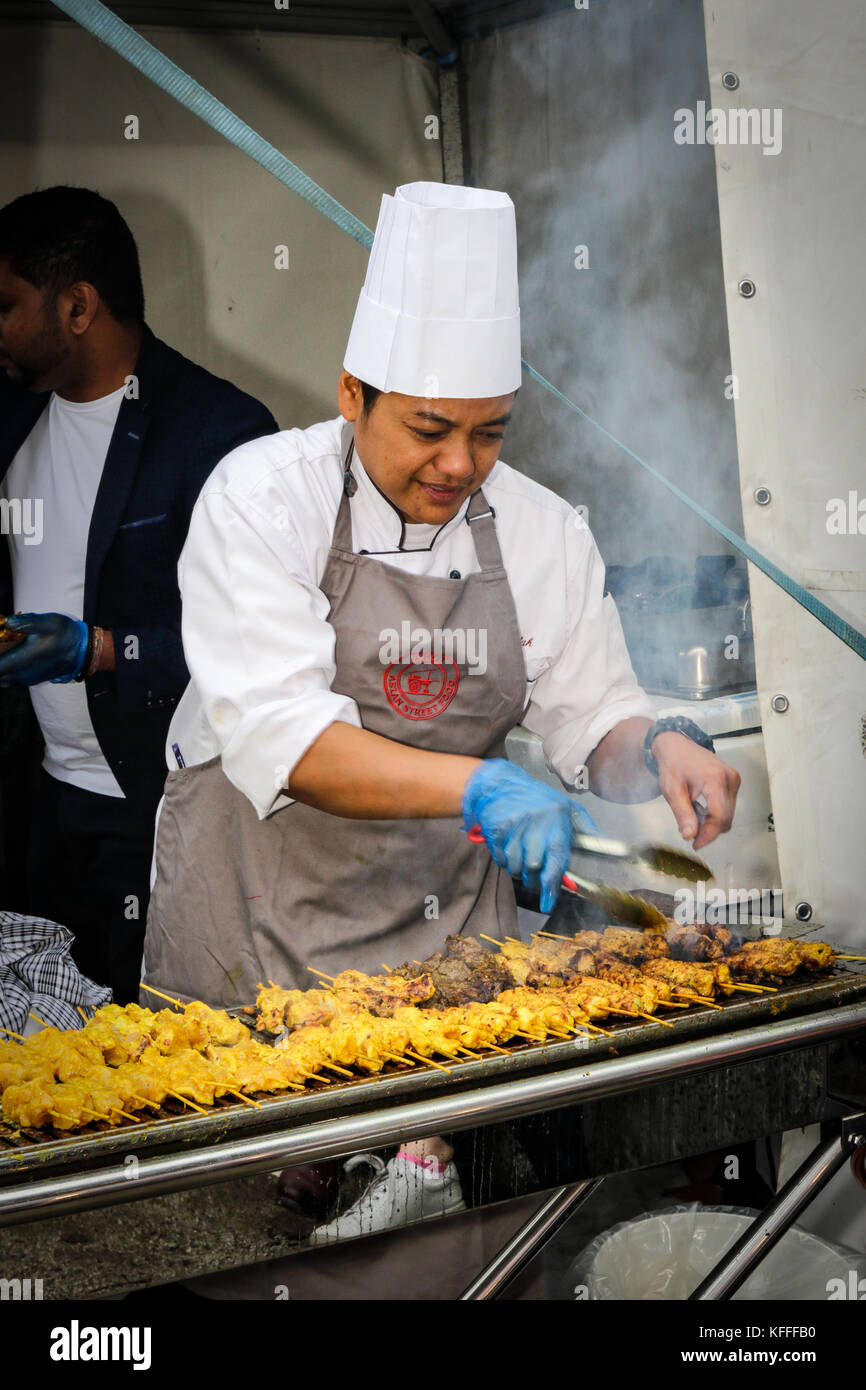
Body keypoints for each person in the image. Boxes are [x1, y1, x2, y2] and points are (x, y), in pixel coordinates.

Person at [144, 181, 740, 1290]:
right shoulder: (258, 501)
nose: (459, 464)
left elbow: (587, 727)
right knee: (244, 1261)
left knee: (439, 1268)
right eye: (427, 427)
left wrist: (654, 744)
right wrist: (477, 784)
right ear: (351, 395)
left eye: (487, 431)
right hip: (247, 955)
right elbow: (291, 739)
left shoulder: (541, 529)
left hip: (441, 980)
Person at [0, 186, 278, 1003]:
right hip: (41, 806)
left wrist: (100, 649)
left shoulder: (218, 432)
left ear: (77, 305)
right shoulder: (11, 414)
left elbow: (261, 643)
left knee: (154, 1045)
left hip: (156, 813)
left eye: (6, 306)